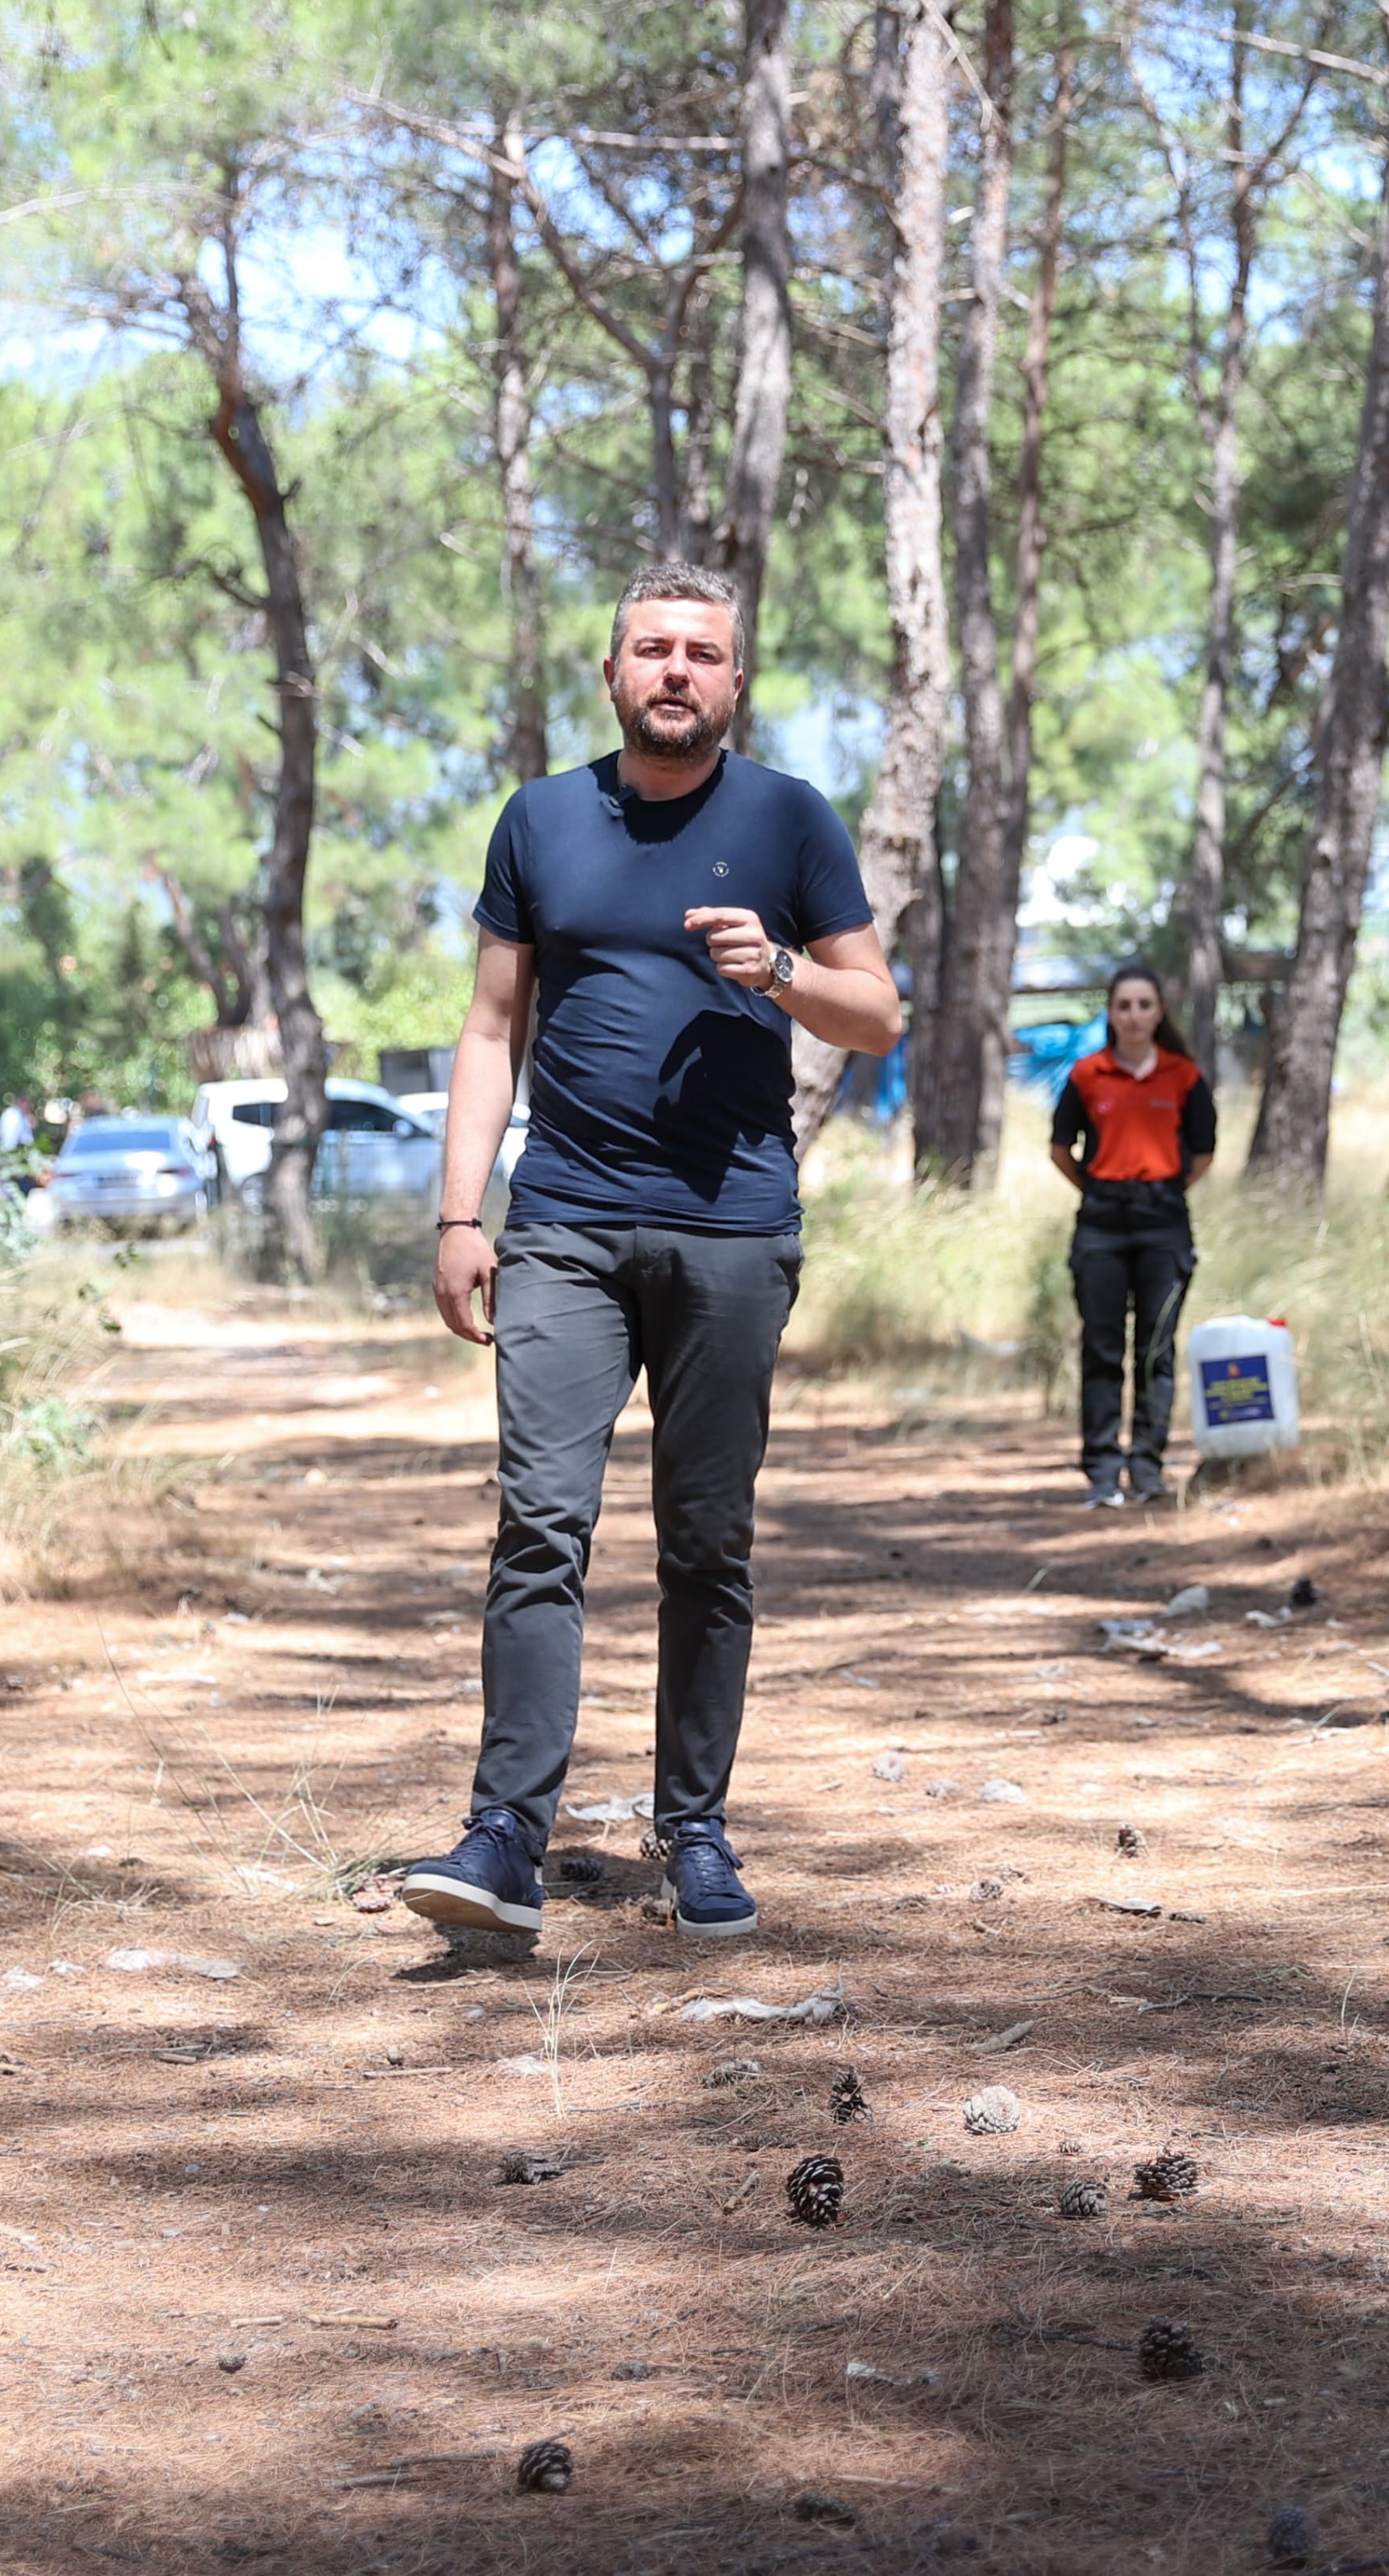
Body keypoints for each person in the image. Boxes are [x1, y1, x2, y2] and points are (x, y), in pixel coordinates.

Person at [401, 561, 902, 1945]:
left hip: (733, 1230)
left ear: (735, 680)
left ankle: (694, 1828)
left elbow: (876, 1013)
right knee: (540, 1524)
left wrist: (784, 971)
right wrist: (460, 1215)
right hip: (561, 1220)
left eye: (702, 651)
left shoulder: (791, 821)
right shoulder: (542, 820)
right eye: (650, 648)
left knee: (707, 1543)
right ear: (612, 673)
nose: (675, 669)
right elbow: (491, 1027)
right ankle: (507, 1831)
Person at [1046, 963, 1217, 1507]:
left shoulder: (1182, 1076)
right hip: (1101, 1224)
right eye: (1124, 1005)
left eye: (1144, 1004)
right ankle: (1101, 1468)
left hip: (1163, 1223)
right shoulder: (1086, 1075)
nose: (1135, 1015)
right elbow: (1060, 1150)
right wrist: (1100, 1190)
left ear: (1159, 1012)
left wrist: (1160, 1192)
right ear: (1111, 1013)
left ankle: (1146, 1465)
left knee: (1155, 1350)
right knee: (1101, 1348)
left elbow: (1204, 1151)